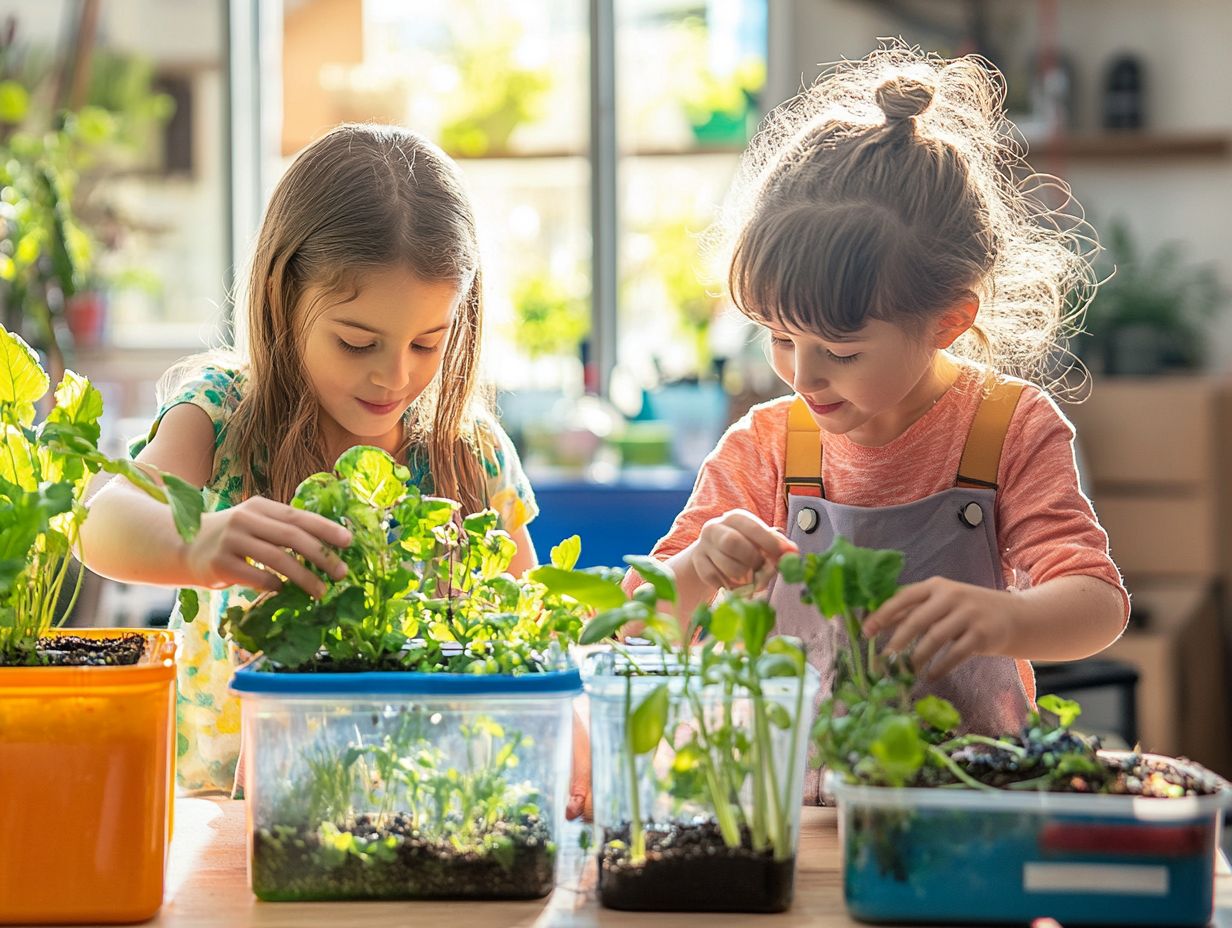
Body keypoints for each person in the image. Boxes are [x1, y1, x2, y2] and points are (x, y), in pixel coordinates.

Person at [632, 46, 1128, 803]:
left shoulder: (1008, 430)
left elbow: (1096, 605)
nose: (802, 375)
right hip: (793, 821)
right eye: (779, 336)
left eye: (841, 349)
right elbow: (634, 628)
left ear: (950, 320)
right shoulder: (768, 447)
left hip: (965, 807)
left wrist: (1003, 618)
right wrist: (701, 568)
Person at [79, 124, 576, 804]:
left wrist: (565, 718)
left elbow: (533, 621)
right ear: (285, 301)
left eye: (428, 343)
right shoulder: (221, 417)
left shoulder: (470, 453)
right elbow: (99, 521)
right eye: (357, 341)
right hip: (224, 817)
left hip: (410, 812)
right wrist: (195, 543)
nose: (394, 377)